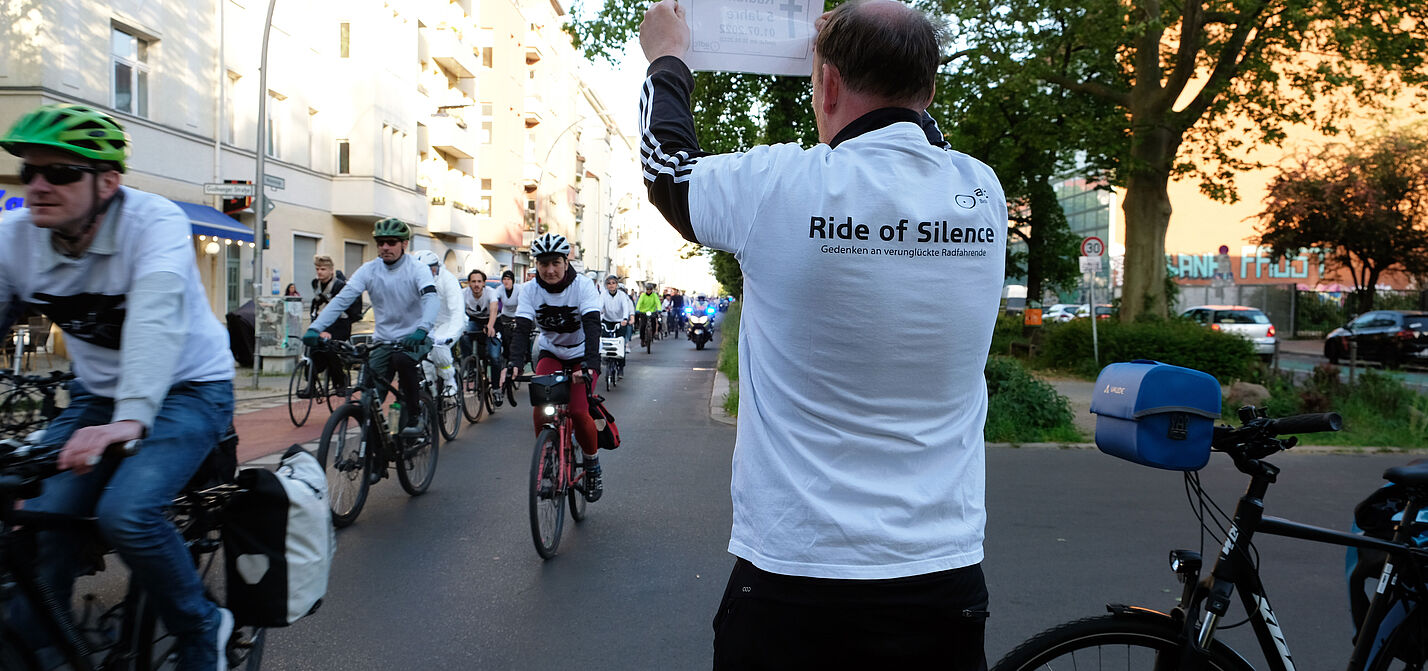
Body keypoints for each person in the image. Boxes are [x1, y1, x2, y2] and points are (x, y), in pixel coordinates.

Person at [639, 1, 1007, 667]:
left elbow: (667, 170)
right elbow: (924, 137)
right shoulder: (982, 193)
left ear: (829, 86)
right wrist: (884, 54)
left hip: (795, 579)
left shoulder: (776, 185)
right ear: (929, 94)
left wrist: (667, 59)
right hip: (942, 577)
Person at [0, 103, 238, 669]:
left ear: (108, 182)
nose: (37, 185)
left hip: (190, 388)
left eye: (58, 172)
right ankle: (42, 646)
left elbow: (155, 315)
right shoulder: (13, 238)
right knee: (41, 516)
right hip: (95, 396)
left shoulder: (154, 222)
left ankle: (204, 625)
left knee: (126, 513)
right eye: (27, 172)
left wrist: (129, 421)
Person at [304, 218, 438, 438]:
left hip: (416, 336)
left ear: (404, 244)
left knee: (402, 360)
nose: (385, 247)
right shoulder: (369, 270)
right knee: (368, 397)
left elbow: (431, 299)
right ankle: (374, 456)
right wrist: (316, 328)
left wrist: (423, 329)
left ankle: (415, 416)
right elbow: (341, 300)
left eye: (392, 242)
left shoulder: (418, 269)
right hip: (383, 340)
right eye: (381, 242)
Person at [501, 233, 607, 502]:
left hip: (582, 354)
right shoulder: (529, 290)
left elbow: (593, 325)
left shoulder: (583, 286)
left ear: (566, 260)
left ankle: (593, 465)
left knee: (579, 411)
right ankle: (548, 458)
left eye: (555, 263)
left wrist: (591, 365)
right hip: (552, 352)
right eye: (543, 263)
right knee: (541, 408)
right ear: (536, 264)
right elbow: (522, 329)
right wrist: (514, 363)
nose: (549, 270)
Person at [306, 255, 361, 396]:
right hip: (323, 324)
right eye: (317, 269)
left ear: (331, 271)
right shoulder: (315, 284)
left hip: (341, 325)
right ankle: (310, 386)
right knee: (311, 352)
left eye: (323, 269)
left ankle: (340, 382)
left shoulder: (339, 286)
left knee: (331, 350)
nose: (319, 272)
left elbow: (342, 310)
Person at [412, 250, 463, 397]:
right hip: (428, 324)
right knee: (425, 363)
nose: (430, 273)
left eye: (432, 269)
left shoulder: (448, 280)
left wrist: (450, 335)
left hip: (448, 322)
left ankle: (449, 381)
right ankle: (431, 394)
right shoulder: (415, 282)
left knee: (439, 348)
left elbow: (457, 311)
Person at [462, 269, 500, 390]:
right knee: (463, 335)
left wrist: (490, 325)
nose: (476, 284)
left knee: (494, 356)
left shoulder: (490, 292)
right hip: (474, 321)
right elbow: (458, 311)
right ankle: (471, 366)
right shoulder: (463, 293)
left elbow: (494, 309)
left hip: (492, 321)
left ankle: (496, 389)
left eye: (479, 281)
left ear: (484, 283)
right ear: (469, 283)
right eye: (473, 282)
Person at [493, 269, 523, 406]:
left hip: (518, 316)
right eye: (504, 279)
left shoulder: (519, 289)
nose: (506, 281)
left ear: (513, 280)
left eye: (509, 279)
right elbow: (497, 303)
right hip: (505, 317)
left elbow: (523, 304)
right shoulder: (499, 289)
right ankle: (506, 358)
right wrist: (497, 313)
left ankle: (520, 360)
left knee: (518, 337)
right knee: (504, 338)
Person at [601, 274, 635, 342]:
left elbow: (625, 307)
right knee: (605, 340)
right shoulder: (603, 294)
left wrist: (625, 319)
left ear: (616, 284)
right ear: (606, 285)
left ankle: (623, 348)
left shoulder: (622, 295)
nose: (611, 285)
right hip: (607, 320)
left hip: (620, 321)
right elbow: (599, 306)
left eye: (613, 283)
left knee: (620, 340)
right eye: (609, 283)